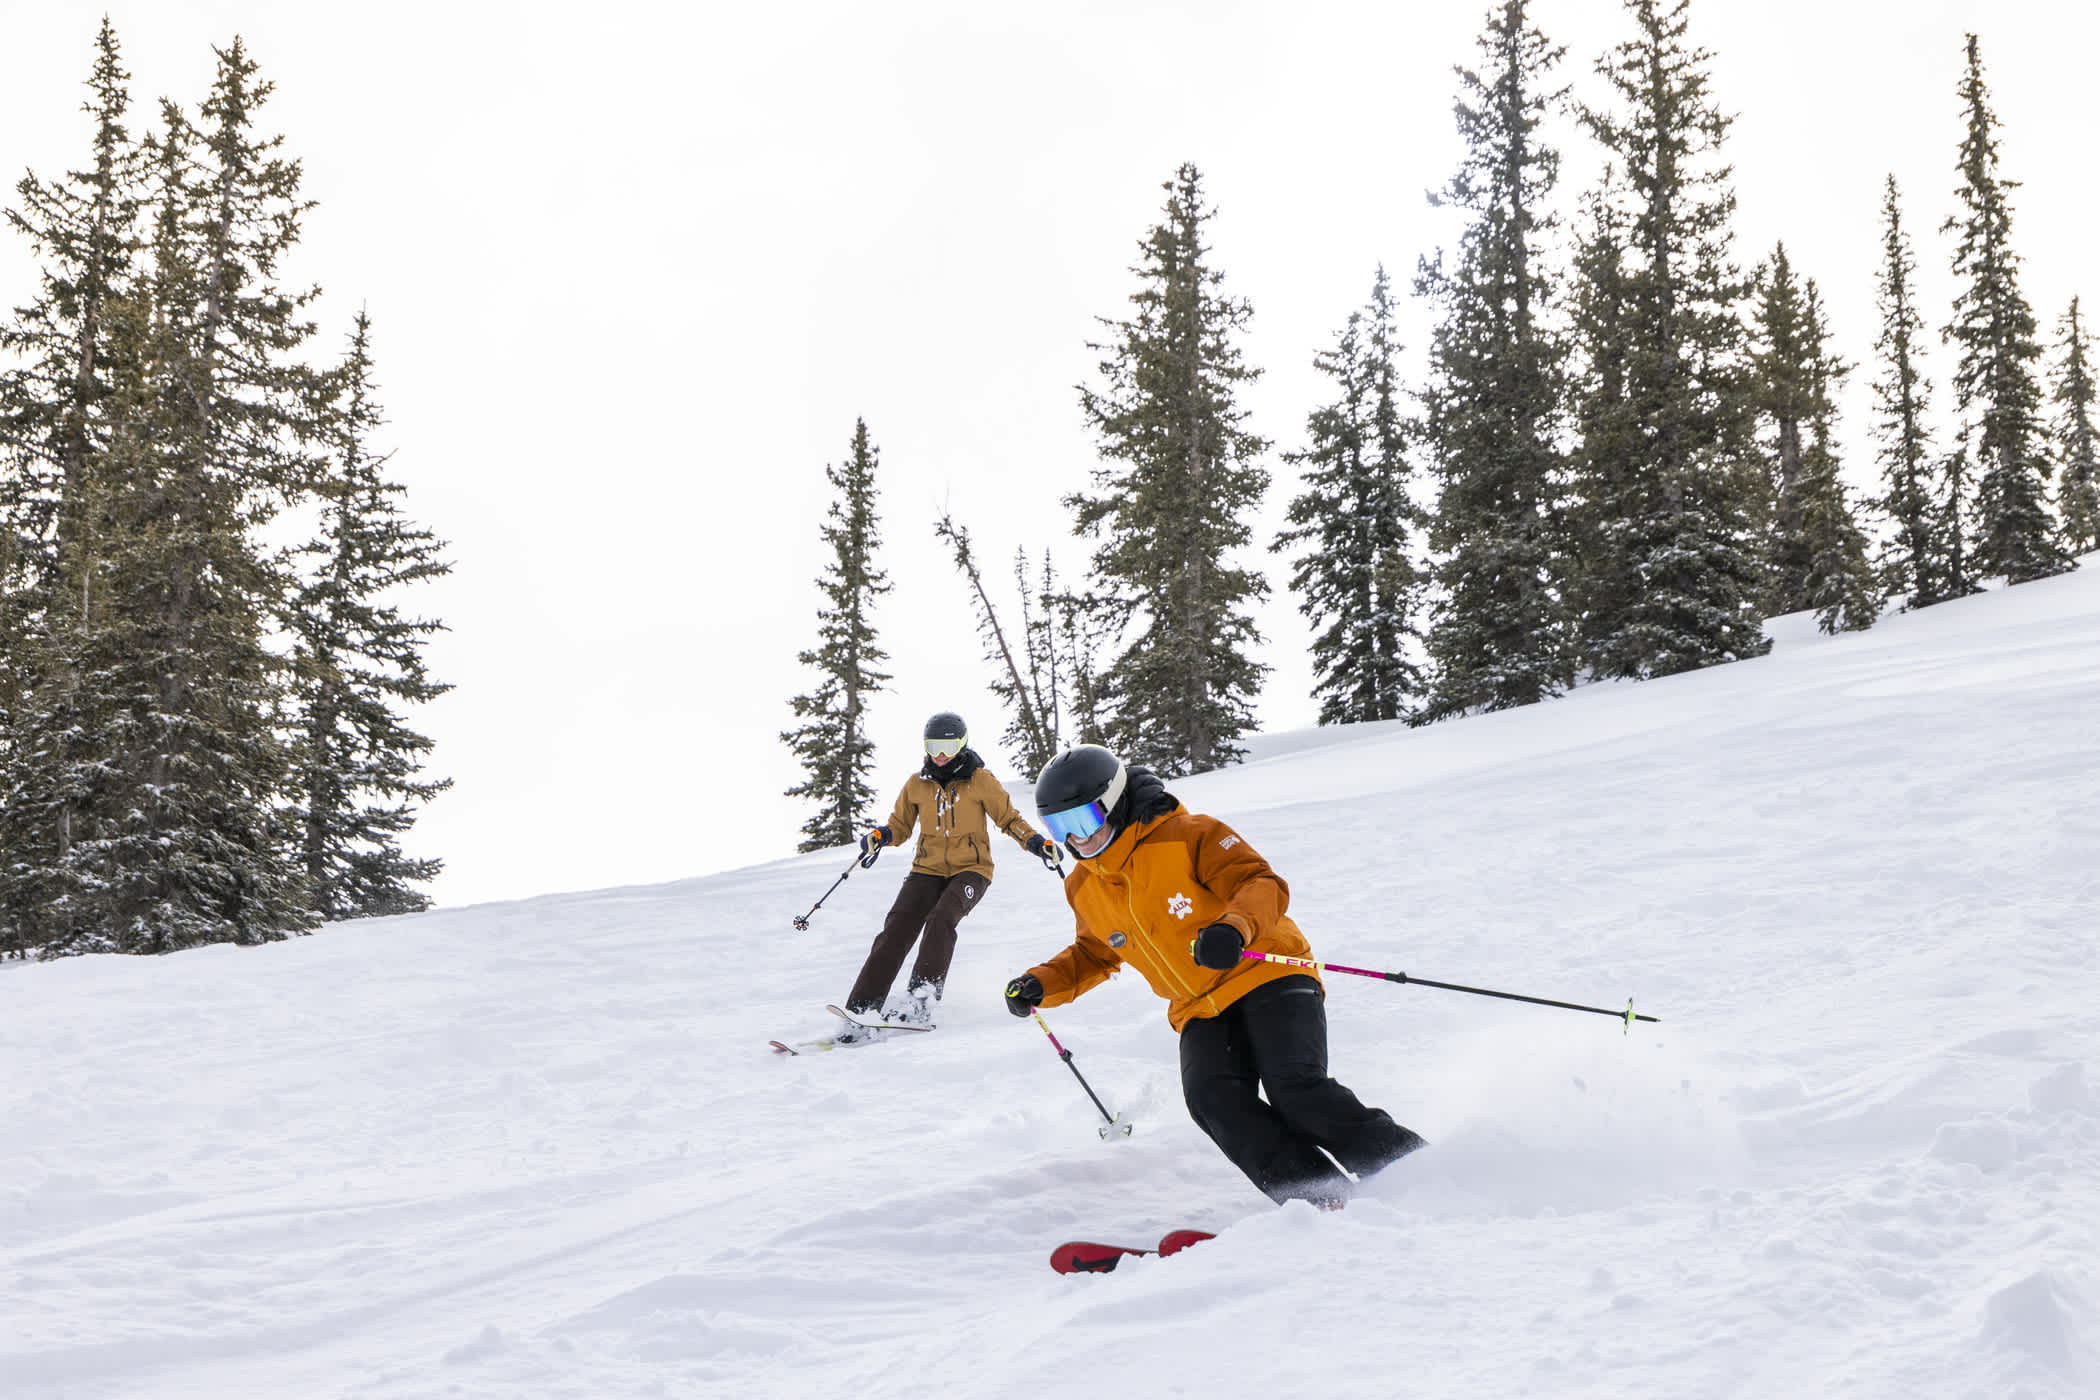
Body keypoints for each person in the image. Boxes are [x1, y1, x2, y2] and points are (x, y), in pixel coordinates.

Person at [1004, 744, 1425, 1206]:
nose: (1076, 840)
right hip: (1198, 1008)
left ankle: (1413, 1170)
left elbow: (1260, 883)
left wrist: (1233, 928)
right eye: (1059, 828)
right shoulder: (1082, 885)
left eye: (1082, 821)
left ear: (1115, 801)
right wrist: (1042, 982)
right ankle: (1320, 1197)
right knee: (1213, 1100)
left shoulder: (1189, 835)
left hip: (1266, 973)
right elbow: (1095, 952)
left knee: (1295, 1091)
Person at [842, 712, 1057, 1036]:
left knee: (941, 920)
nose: (940, 753)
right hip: (926, 870)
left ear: (962, 743)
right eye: (933, 745)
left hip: (972, 870)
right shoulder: (917, 784)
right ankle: (861, 1009)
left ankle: (920, 1000)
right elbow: (899, 827)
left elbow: (1009, 819)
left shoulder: (980, 780)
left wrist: (1037, 843)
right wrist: (881, 836)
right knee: (896, 930)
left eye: (948, 745)